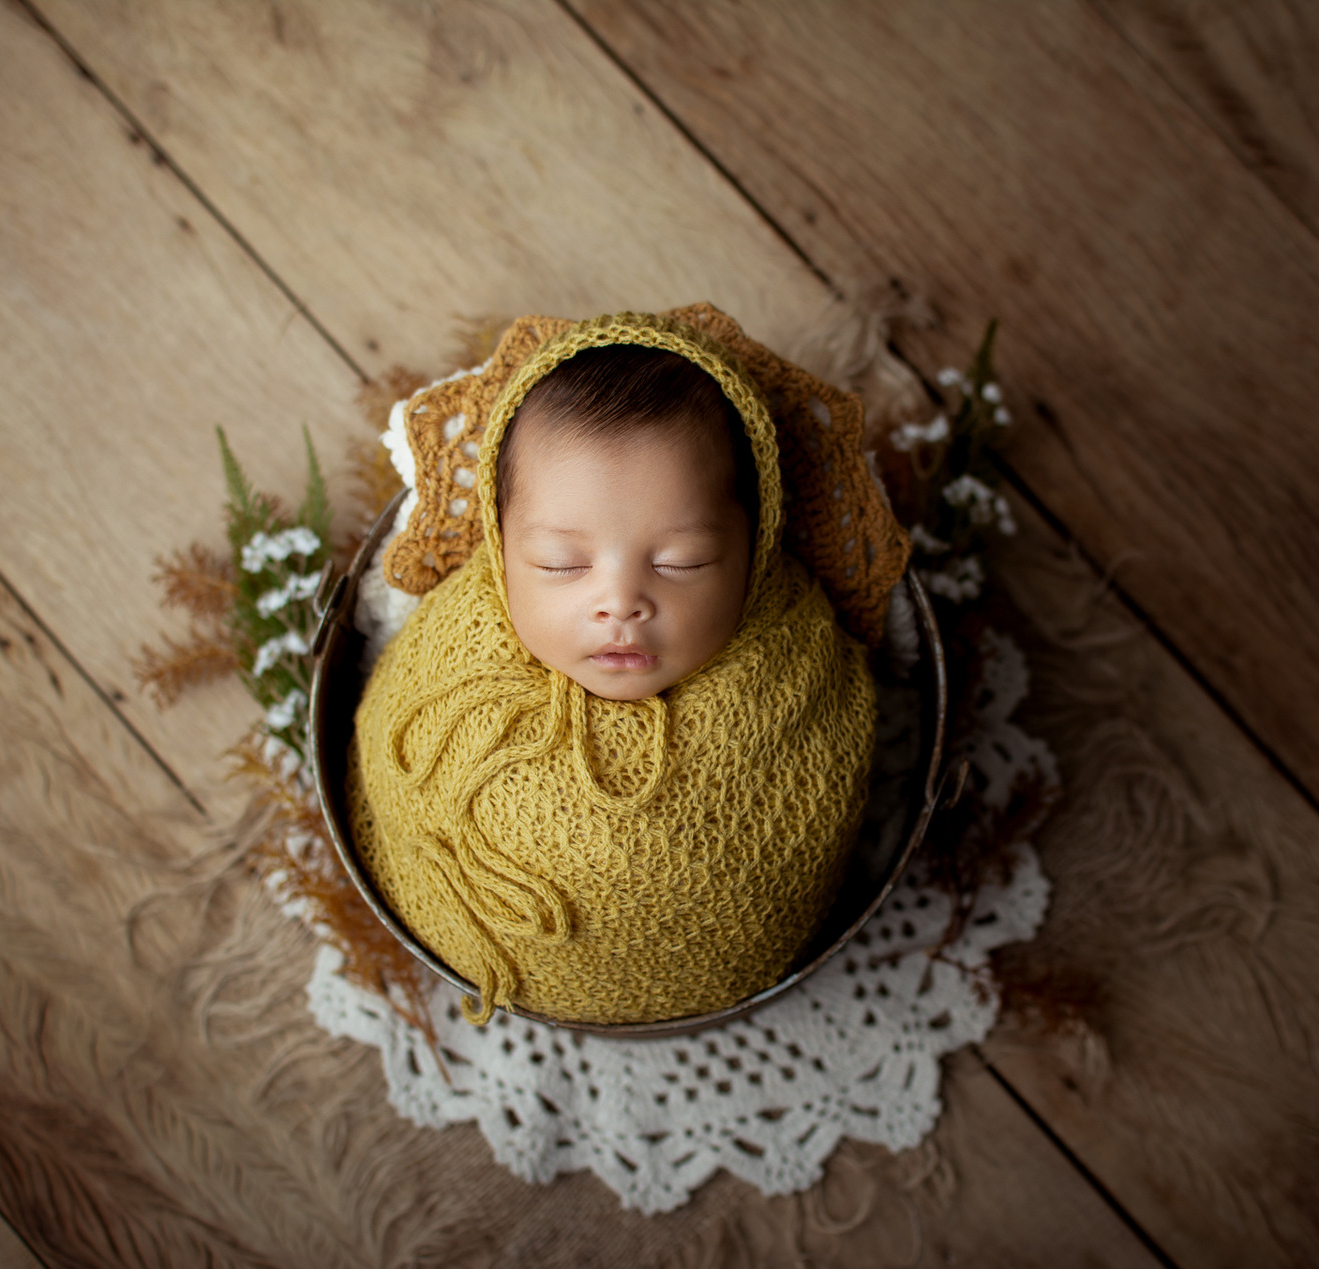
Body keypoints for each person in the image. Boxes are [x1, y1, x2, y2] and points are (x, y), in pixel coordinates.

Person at [349, 308, 908, 1024]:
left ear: (758, 542)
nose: (619, 602)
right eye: (561, 563)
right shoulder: (451, 650)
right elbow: (395, 747)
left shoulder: (802, 673)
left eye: (682, 561)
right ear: (497, 542)